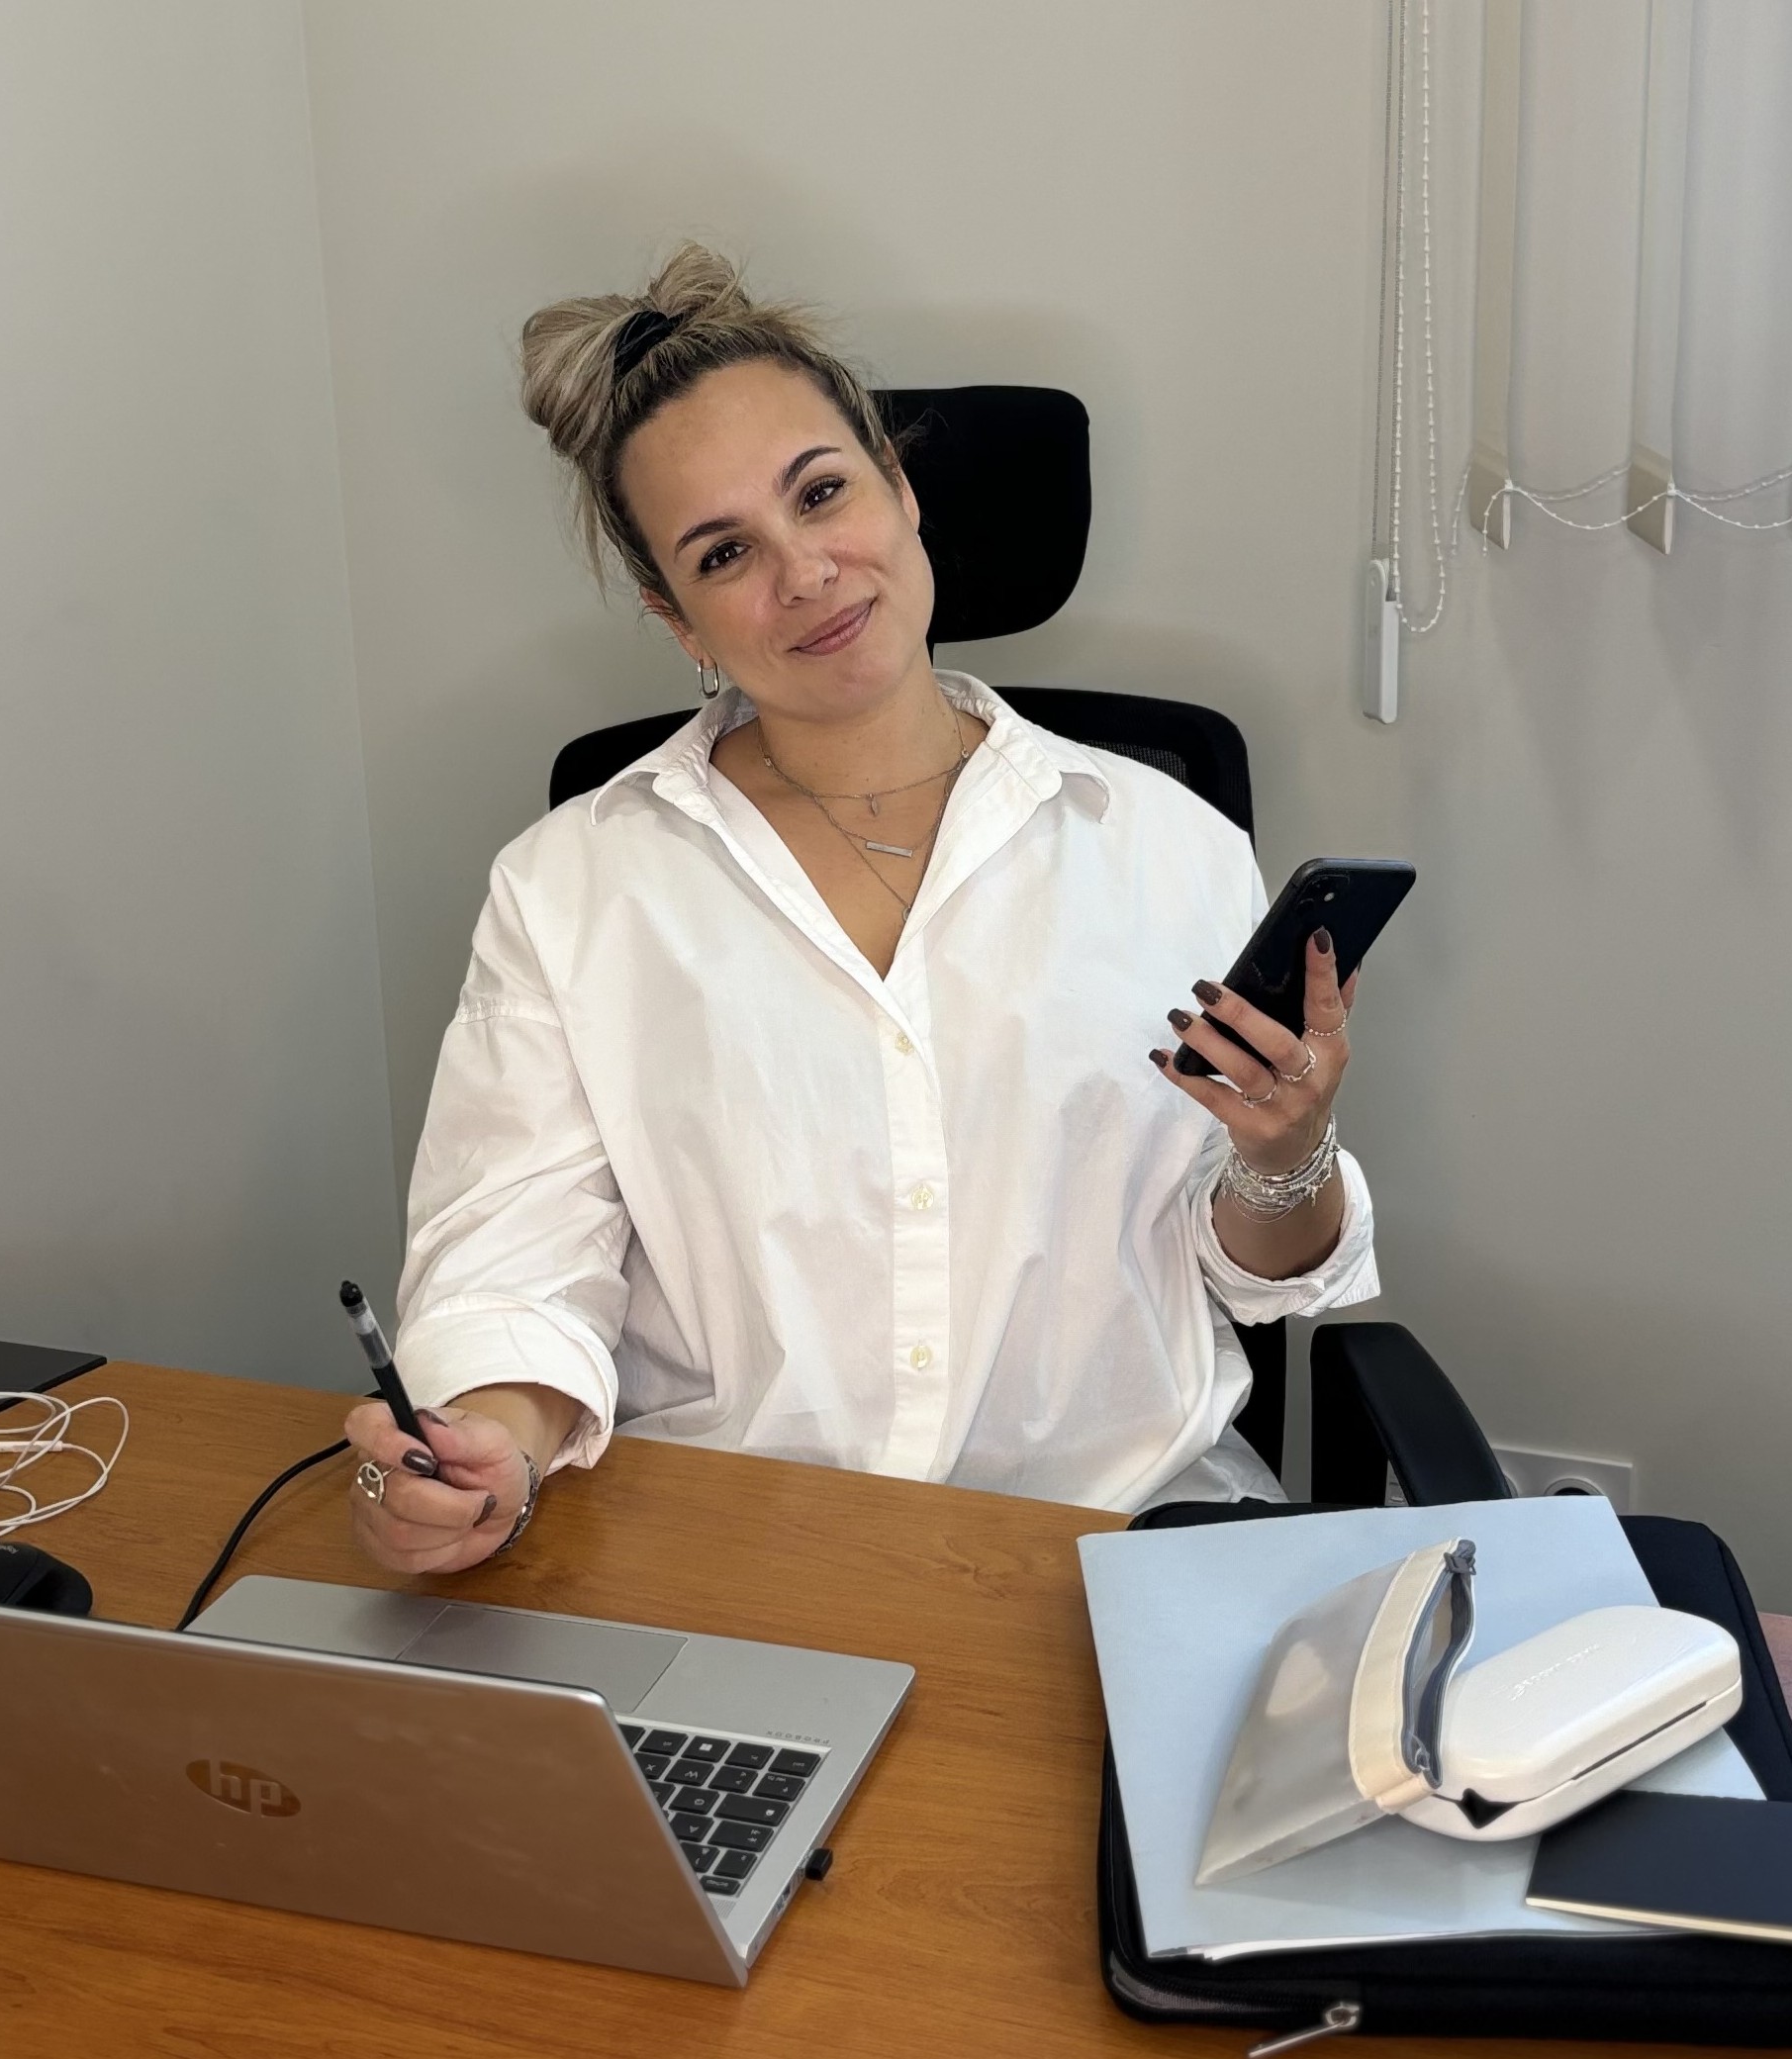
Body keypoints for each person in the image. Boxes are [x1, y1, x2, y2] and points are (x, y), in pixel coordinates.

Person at [344, 244, 1378, 1573]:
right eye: (726, 552)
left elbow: (1252, 1269)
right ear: (678, 619)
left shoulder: (1168, 846)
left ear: (900, 489)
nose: (805, 573)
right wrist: (485, 1446)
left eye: (822, 492)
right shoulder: (570, 889)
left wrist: (1288, 1151)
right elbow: (514, 1263)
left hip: (1113, 1546)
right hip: (735, 1563)